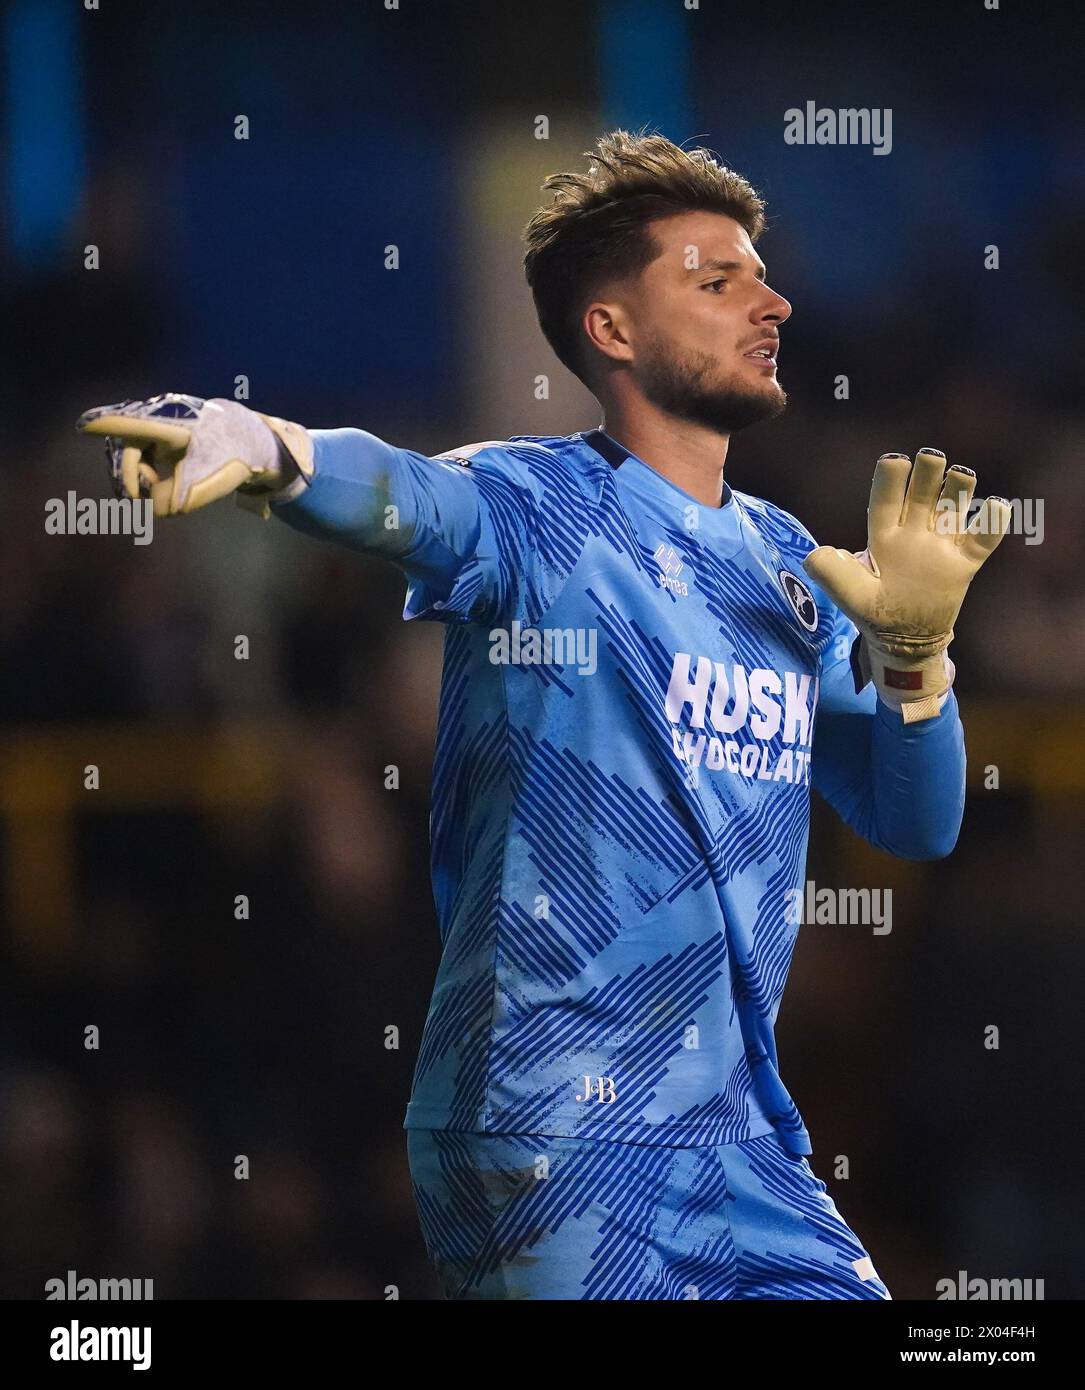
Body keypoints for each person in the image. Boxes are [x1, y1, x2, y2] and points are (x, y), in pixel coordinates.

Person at [76, 130, 1008, 1300]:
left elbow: (914, 824)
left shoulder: (785, 564)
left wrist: (916, 662)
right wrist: (269, 447)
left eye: (759, 275)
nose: (768, 300)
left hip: (743, 1146)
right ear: (610, 330)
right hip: (551, 1125)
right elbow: (408, 495)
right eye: (714, 280)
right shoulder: (536, 505)